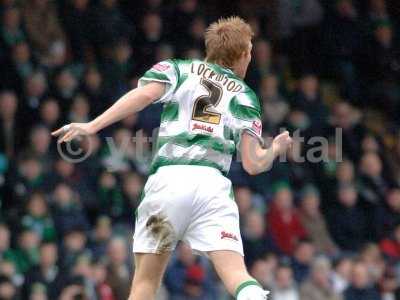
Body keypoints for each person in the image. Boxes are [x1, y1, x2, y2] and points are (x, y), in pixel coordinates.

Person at [52, 17, 293, 300]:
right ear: (242, 55)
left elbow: (141, 96)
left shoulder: (179, 69)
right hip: (211, 187)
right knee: (237, 275)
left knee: (145, 282)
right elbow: (253, 164)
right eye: (250, 51)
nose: (251, 57)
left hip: (168, 183)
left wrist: (92, 125)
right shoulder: (244, 95)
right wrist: (275, 149)